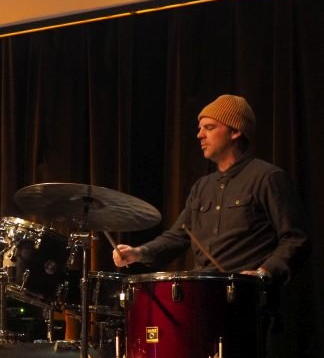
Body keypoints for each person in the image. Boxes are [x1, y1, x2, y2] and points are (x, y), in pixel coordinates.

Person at [112, 94, 308, 282]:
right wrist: (139, 252)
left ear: (235, 131)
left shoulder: (268, 178)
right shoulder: (201, 187)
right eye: (200, 128)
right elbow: (177, 237)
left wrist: (264, 273)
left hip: (248, 294)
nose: (200, 135)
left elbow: (295, 238)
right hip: (203, 291)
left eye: (209, 127)